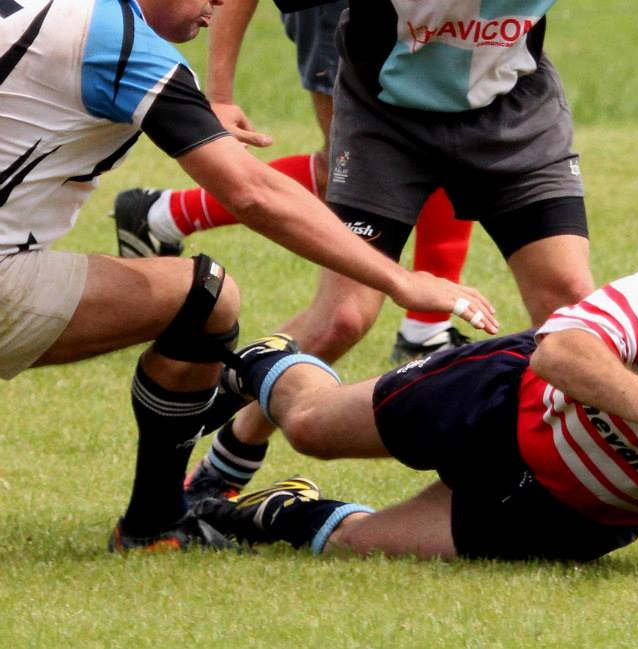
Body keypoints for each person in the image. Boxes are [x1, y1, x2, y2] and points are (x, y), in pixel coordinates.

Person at [165, 0, 638, 504]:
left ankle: (564, 484)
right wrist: (217, 93)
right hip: (384, 123)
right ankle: (229, 458)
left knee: (571, 307)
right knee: (342, 318)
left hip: (515, 119)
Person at [0, 0, 495, 553]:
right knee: (206, 297)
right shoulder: (121, 45)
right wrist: (402, 282)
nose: (218, 6)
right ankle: (155, 525)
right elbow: (253, 193)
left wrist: (206, 104)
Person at [193, 234, 638, 573]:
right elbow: (558, 351)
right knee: (313, 423)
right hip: (503, 403)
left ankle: (281, 508)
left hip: (569, 513)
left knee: (362, 545)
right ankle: (258, 360)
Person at [113, 0, 475, 364]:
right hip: (348, 12)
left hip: (437, 19)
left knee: (433, 147)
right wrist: (220, 94)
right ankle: (167, 215)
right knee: (355, 177)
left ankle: (427, 330)